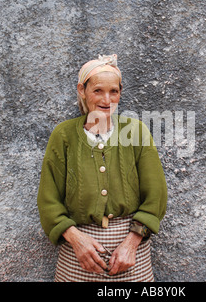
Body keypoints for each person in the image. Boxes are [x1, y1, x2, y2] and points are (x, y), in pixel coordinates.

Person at [37, 54, 168, 282]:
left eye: (114, 91)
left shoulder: (135, 131)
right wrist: (76, 240)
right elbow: (49, 199)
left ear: (120, 92)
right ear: (82, 90)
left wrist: (132, 242)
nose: (107, 99)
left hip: (130, 256)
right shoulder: (64, 135)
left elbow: (156, 195)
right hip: (78, 255)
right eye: (97, 90)